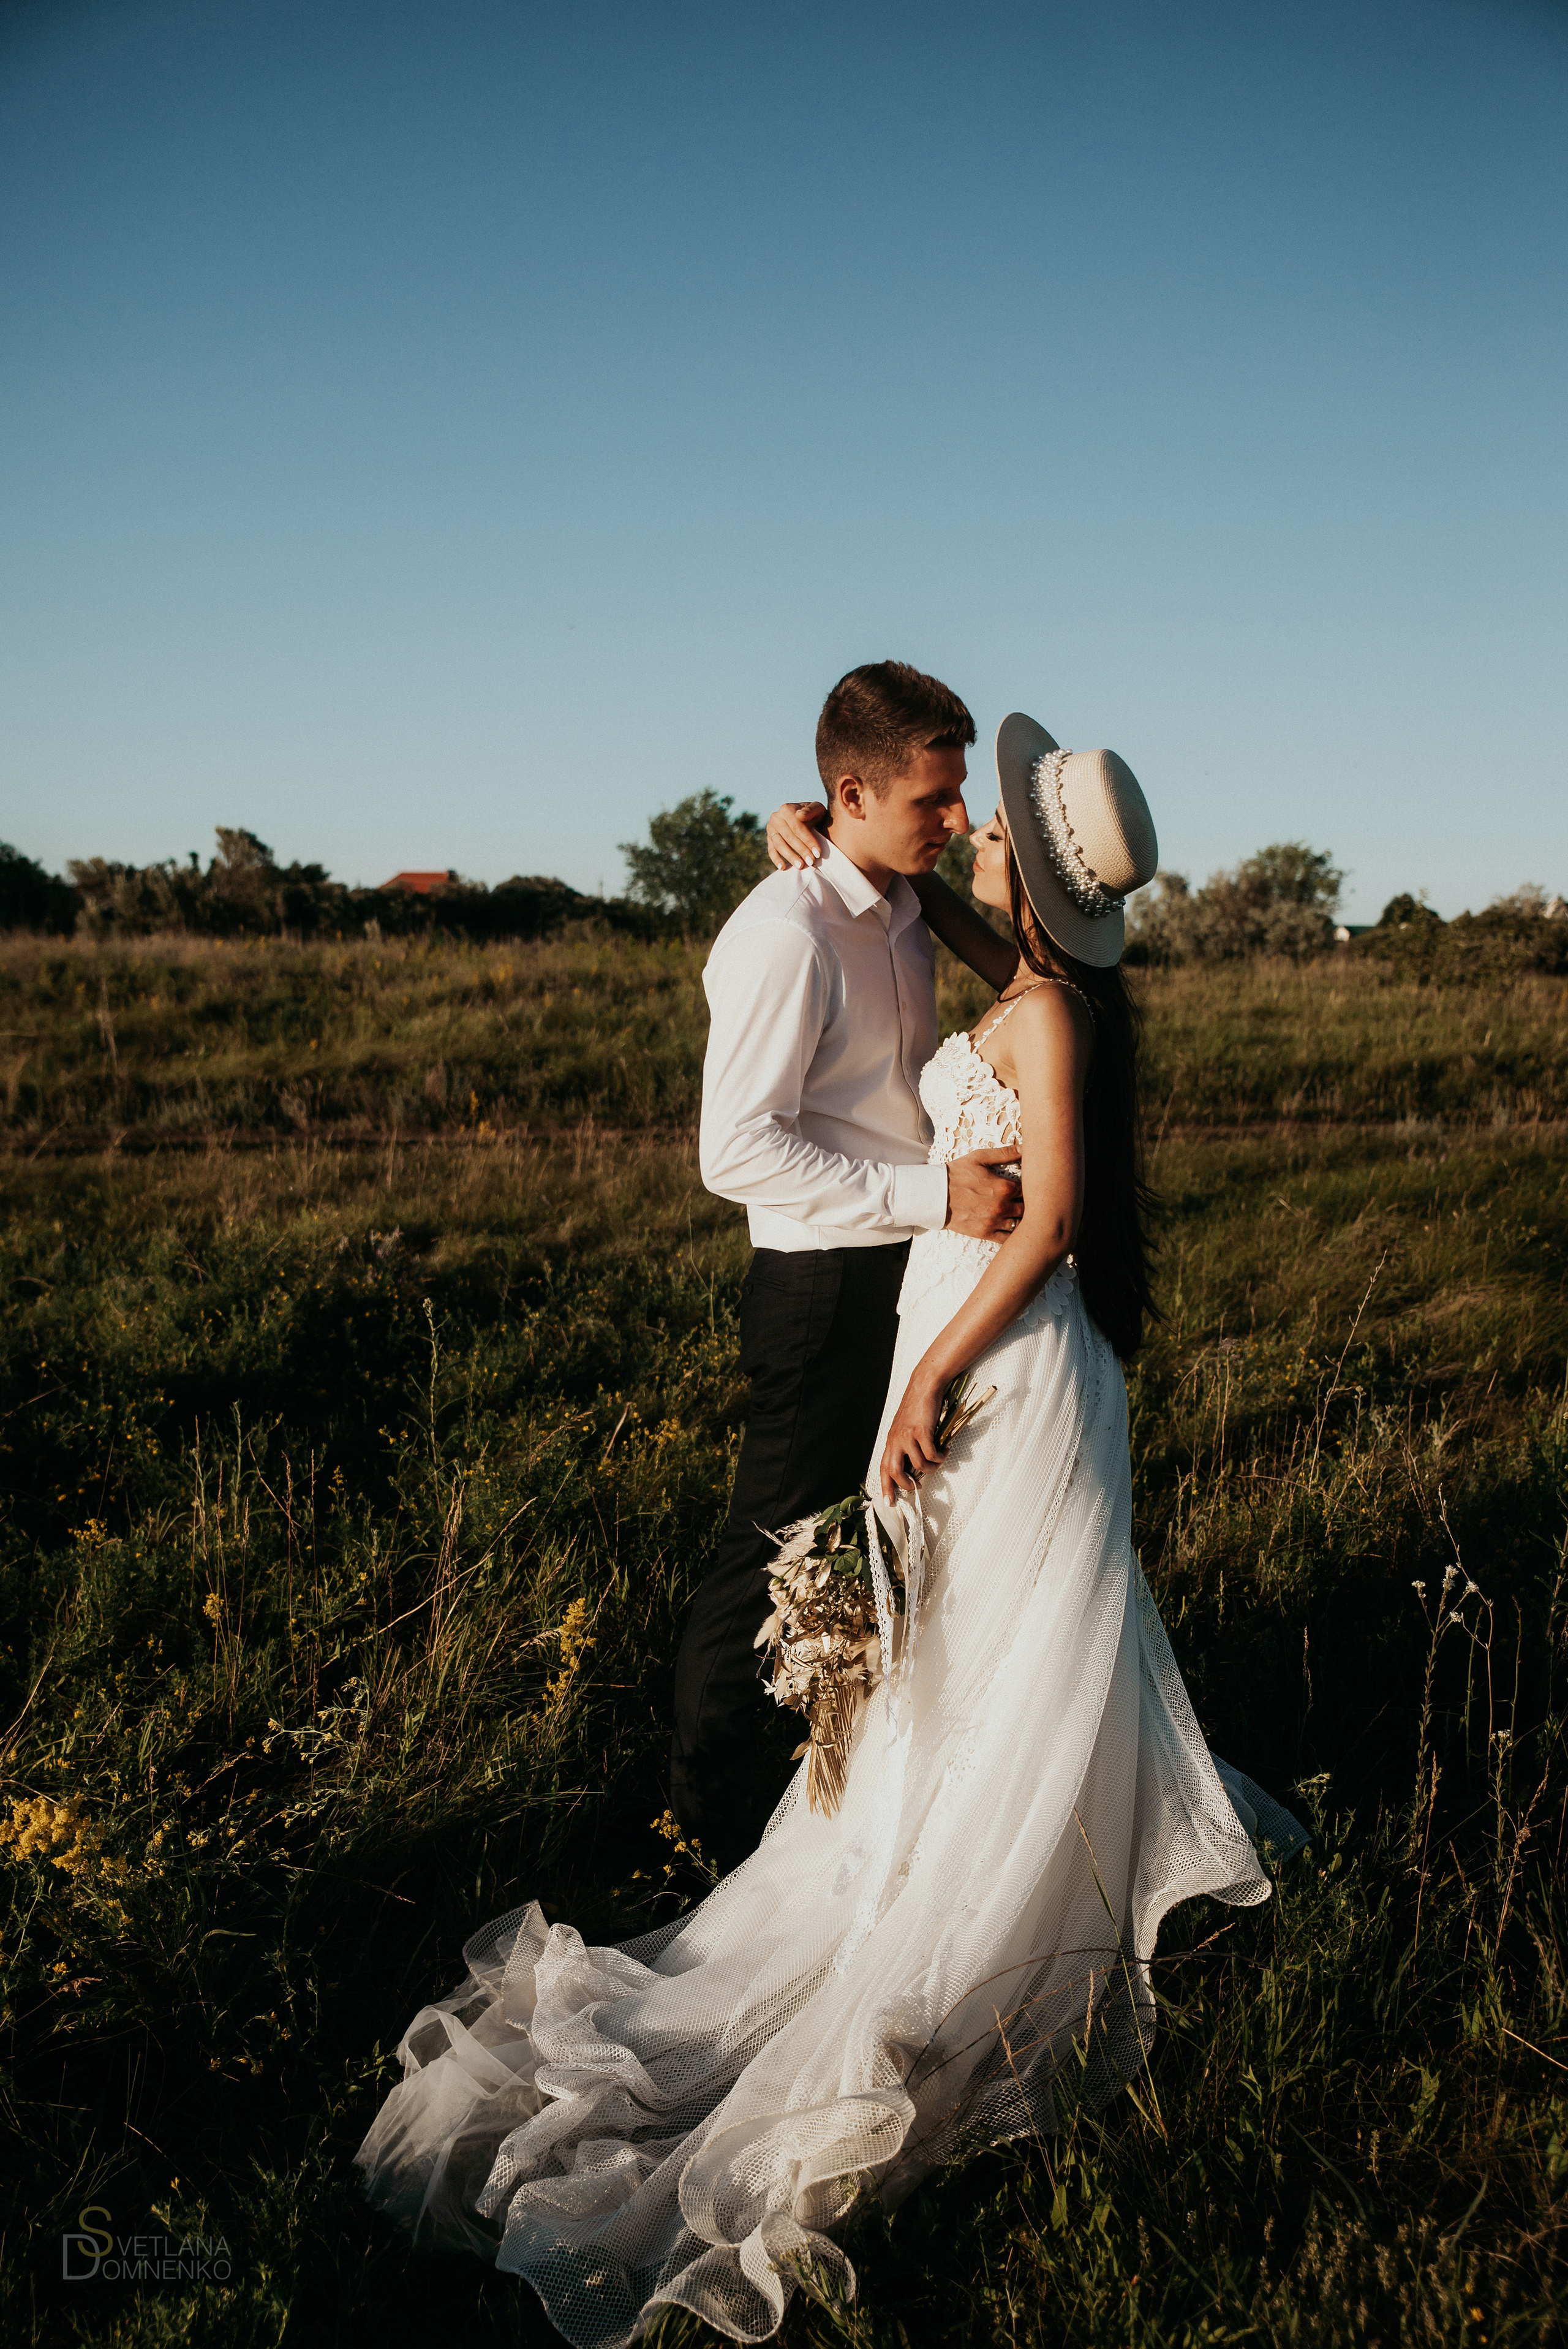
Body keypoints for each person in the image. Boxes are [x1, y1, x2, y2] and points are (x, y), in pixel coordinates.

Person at [355, 709, 1303, 2349]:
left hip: (998, 1350)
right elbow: (918, 896)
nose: (967, 833)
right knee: (965, 1642)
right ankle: (925, 1838)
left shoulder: (1049, 1017)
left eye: (984, 824)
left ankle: (984, 1900)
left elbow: (1053, 1215)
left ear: (1025, 860)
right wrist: (815, 827)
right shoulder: (1015, 973)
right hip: (966, 1336)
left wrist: (930, 1361)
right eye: (952, 815)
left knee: (1009, 1644)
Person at [673, 660, 1028, 1874]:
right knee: (772, 1548)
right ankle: (704, 1818)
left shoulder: (900, 904)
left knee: (866, 1546)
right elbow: (735, 1150)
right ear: (848, 793)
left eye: (956, 794)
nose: (954, 818)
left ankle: (819, 1800)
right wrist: (933, 1191)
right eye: (931, 798)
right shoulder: (786, 931)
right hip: (822, 1286)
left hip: (910, 1275)